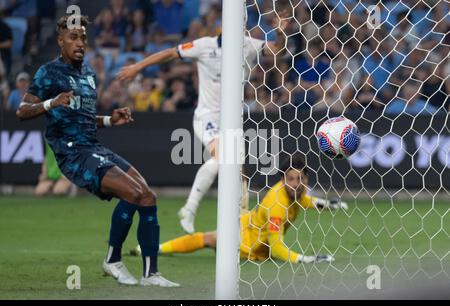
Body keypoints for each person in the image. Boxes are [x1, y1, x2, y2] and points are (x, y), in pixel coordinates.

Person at [16, 14, 179, 287]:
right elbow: (22, 112)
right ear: (60, 41)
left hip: (92, 147)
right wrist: (51, 103)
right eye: (73, 37)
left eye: (83, 38)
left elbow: (83, 117)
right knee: (133, 192)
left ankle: (151, 274)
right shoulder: (48, 72)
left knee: (148, 196)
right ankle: (113, 260)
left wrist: (109, 120)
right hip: (72, 153)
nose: (80, 43)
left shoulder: (89, 74)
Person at [118, 11, 290, 235]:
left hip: (233, 121)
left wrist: (280, 33)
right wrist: (138, 67)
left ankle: (240, 228)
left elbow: (279, 50)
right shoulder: (204, 45)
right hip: (207, 117)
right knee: (222, 158)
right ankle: (189, 209)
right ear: (224, 27)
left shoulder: (248, 45)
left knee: (240, 175)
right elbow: (171, 53)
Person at [131, 155, 347, 264]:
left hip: (250, 220)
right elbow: (277, 247)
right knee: (209, 239)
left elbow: (305, 200)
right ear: (282, 179)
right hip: (246, 242)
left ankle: (153, 248)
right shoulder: (277, 205)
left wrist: (328, 204)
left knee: (235, 208)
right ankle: (153, 248)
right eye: (291, 179)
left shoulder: (296, 191)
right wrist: (306, 259)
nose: (296, 183)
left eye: (301, 179)